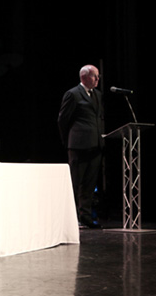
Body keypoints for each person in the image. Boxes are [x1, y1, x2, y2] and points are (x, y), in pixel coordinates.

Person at [58, 64, 105, 229]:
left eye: (98, 76)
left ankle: (85, 216)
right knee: (75, 182)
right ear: (84, 77)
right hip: (78, 145)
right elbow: (63, 120)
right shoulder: (73, 94)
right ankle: (71, 217)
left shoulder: (97, 94)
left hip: (95, 145)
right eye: (95, 76)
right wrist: (69, 141)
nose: (98, 79)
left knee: (89, 184)